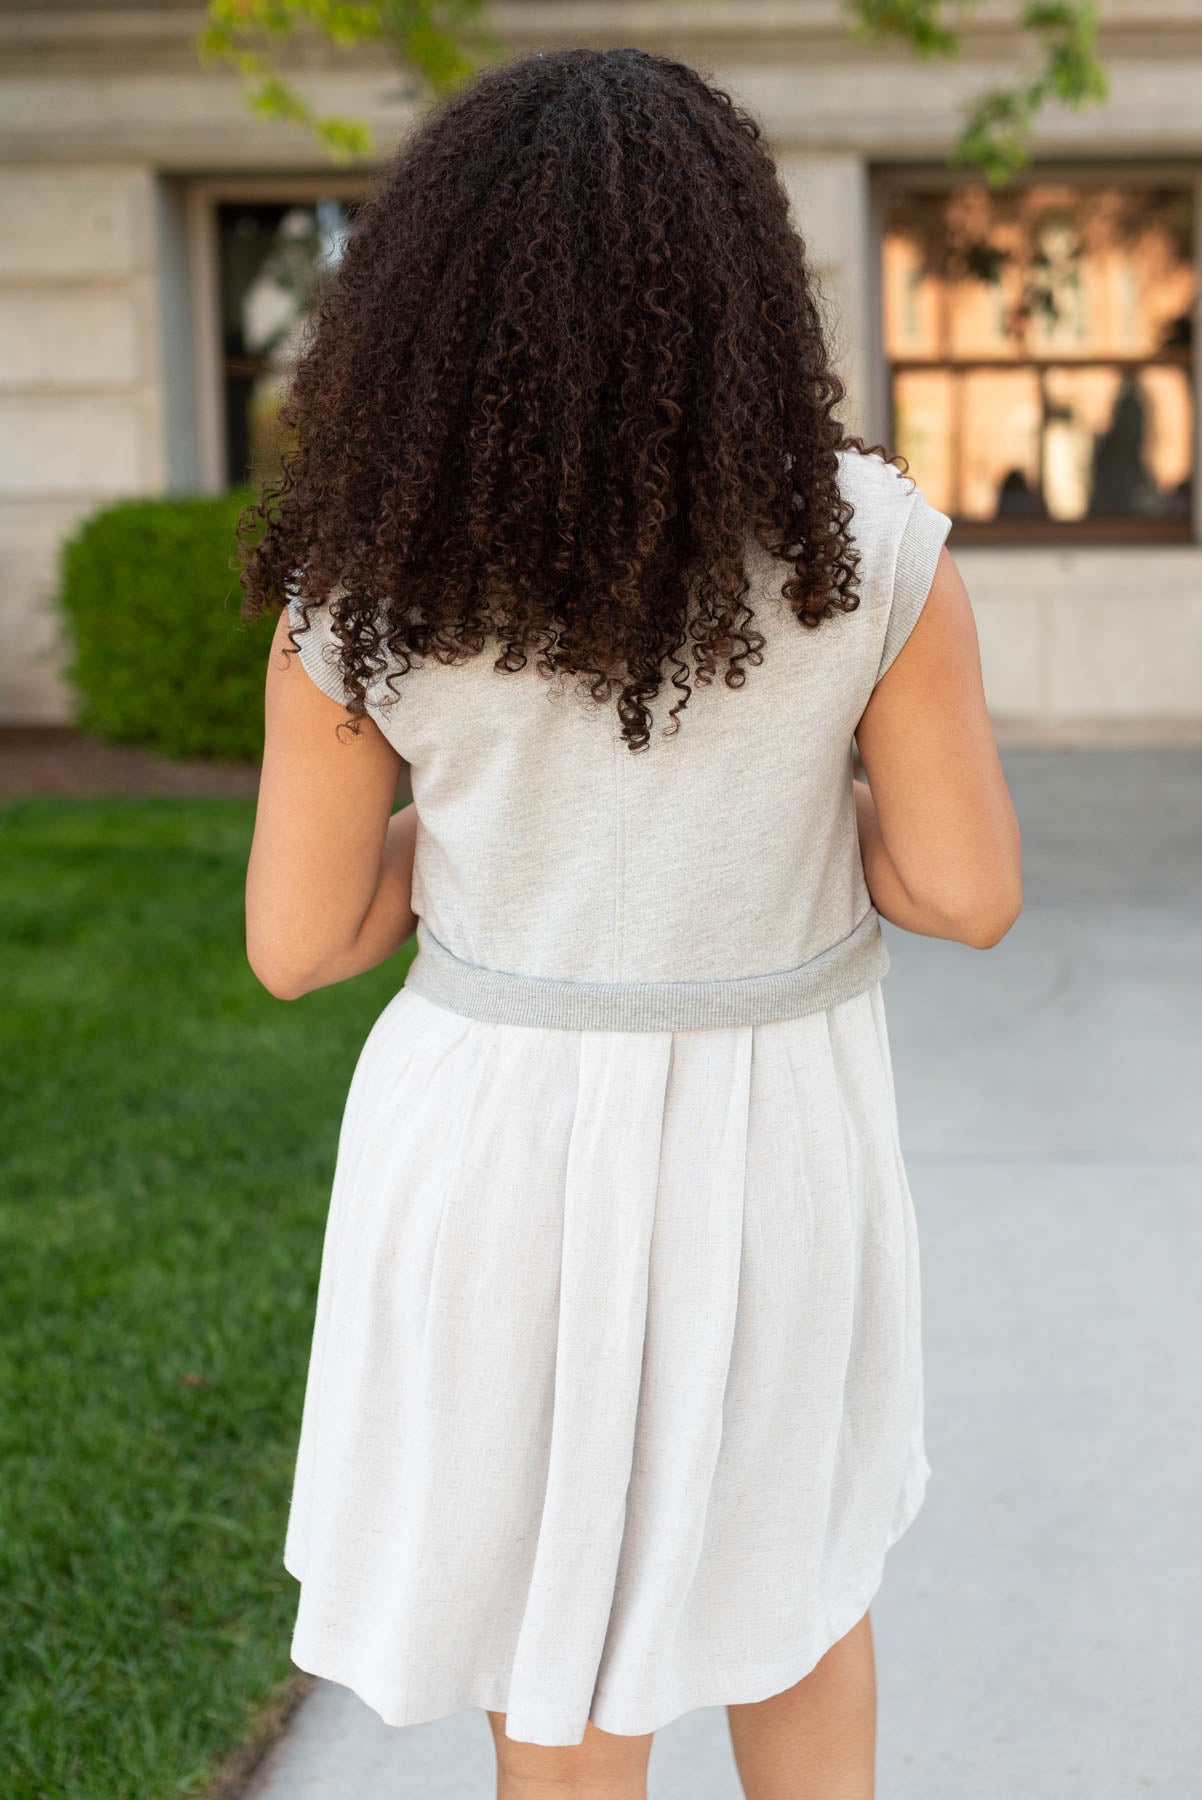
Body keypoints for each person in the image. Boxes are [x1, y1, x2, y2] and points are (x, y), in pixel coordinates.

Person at [243, 45, 1021, 1800]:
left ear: (434, 297)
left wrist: (475, 846)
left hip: (492, 1137)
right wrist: (799, 807)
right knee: (796, 1582)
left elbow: (301, 944)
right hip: (769, 1136)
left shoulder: (362, 584)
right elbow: (961, 893)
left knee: (559, 1627)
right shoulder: (869, 546)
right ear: (744, 282)